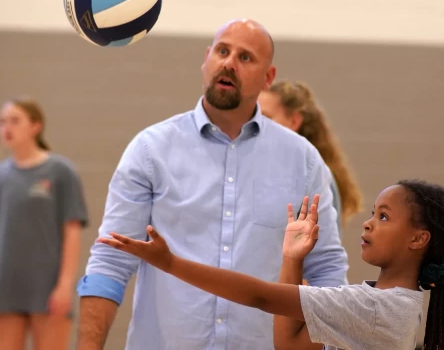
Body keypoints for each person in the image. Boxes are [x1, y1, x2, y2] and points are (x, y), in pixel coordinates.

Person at [76, 19, 349, 350]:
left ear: (268, 78)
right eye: (222, 51)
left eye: (245, 57)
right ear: (206, 59)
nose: (229, 63)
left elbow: (328, 273)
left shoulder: (302, 161)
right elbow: (110, 261)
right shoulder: (151, 151)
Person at [99, 178, 444, 350]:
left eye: (384, 217)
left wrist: (170, 262)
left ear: (418, 239)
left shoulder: (379, 309)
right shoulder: (379, 304)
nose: (368, 223)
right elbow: (290, 343)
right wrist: (292, 260)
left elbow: (261, 297)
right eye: (372, 214)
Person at [0, 97, 89, 350]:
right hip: (3, 286)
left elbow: (71, 233)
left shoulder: (61, 172)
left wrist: (65, 286)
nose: (6, 128)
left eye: (14, 121)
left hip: (48, 287)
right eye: (2, 122)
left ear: (35, 126)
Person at [258, 80, 363, 232]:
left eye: (266, 118)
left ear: (294, 121)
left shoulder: (314, 176)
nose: (256, 124)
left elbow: (324, 250)